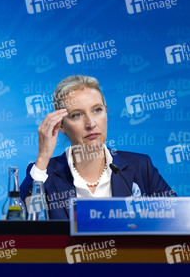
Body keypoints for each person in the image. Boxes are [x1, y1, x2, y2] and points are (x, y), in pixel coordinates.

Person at [20, 75, 175, 220]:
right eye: (76, 115)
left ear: (106, 114)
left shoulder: (140, 167)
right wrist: (43, 157)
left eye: (97, 110)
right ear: (61, 125)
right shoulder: (44, 174)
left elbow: (178, 220)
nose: (91, 123)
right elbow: (21, 224)